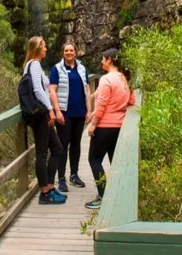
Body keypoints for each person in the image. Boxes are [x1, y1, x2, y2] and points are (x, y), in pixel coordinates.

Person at [85, 48, 135, 210]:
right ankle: (119, 195)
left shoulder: (107, 79)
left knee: (94, 160)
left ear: (109, 60)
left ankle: (103, 195)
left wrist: (93, 124)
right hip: (119, 126)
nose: (101, 62)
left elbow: (102, 106)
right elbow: (131, 100)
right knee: (115, 161)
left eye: (103, 59)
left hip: (105, 126)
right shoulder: (123, 78)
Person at [23, 36, 66, 205]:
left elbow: (44, 87)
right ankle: (45, 192)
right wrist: (51, 110)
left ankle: (49, 186)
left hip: (42, 114)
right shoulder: (33, 64)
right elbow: (38, 90)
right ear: (37, 49)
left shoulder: (35, 65)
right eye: (44, 47)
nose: (47, 49)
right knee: (42, 153)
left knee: (57, 149)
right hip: (41, 115)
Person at [49, 42, 91, 193]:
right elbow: (52, 90)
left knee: (76, 144)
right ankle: (61, 178)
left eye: (71, 50)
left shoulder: (81, 68)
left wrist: (89, 111)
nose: (69, 52)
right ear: (63, 52)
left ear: (76, 52)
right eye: (66, 50)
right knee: (63, 145)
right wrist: (57, 111)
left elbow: (87, 88)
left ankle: (74, 174)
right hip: (65, 114)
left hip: (80, 113)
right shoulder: (57, 69)